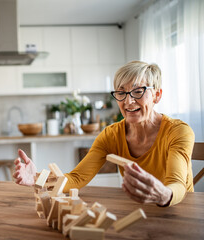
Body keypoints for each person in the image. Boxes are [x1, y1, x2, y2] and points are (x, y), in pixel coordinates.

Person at [13, 61, 195, 207]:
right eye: (121, 92)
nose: (128, 101)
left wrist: (163, 195)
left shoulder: (178, 131)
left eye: (138, 91)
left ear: (157, 95)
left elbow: (177, 183)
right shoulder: (111, 135)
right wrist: (37, 178)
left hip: (180, 210)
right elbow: (78, 178)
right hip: (138, 210)